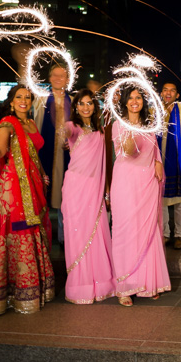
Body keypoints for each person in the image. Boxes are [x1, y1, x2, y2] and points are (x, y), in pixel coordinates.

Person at [0, 85, 55, 315]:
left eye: (28, 97)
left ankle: (32, 288)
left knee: (31, 230)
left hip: (33, 185)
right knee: (19, 232)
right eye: (19, 97)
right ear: (12, 101)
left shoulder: (31, 123)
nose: (24, 100)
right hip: (14, 190)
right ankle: (12, 292)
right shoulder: (8, 122)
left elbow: (33, 153)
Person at [110, 86, 170, 306]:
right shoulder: (118, 124)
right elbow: (129, 152)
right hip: (126, 183)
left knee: (149, 230)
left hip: (148, 184)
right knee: (125, 231)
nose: (135, 101)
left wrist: (158, 162)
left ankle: (147, 282)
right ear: (124, 102)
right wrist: (128, 135)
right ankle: (124, 286)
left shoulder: (149, 125)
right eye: (131, 98)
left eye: (138, 98)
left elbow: (154, 150)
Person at [61, 89, 115, 304]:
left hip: (95, 190)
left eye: (89, 103)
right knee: (78, 234)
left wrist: (108, 189)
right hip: (76, 189)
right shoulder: (71, 127)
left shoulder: (101, 131)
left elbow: (105, 162)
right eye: (81, 104)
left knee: (99, 232)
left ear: (95, 106)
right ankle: (80, 285)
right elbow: (63, 136)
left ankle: (101, 283)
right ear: (75, 107)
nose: (85, 107)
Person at [33, 63, 71, 243]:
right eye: (54, 75)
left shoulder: (73, 100)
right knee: (44, 193)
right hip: (46, 153)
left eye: (61, 75)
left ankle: (65, 238)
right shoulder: (41, 99)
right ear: (49, 78)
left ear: (67, 79)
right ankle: (44, 238)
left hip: (68, 156)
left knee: (66, 196)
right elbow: (36, 126)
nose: (58, 78)